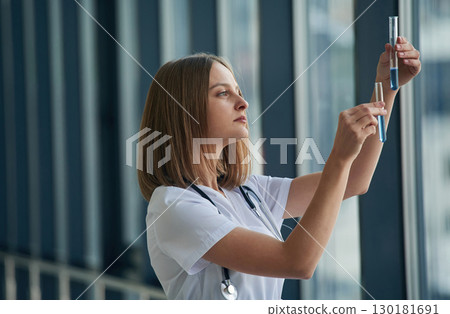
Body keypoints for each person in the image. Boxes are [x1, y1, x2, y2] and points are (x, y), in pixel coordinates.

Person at [137, 37, 421, 299]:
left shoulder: (247, 190)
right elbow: (297, 262)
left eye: (238, 91)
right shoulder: (172, 205)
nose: (243, 103)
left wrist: (386, 87)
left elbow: (355, 179)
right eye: (223, 94)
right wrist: (338, 158)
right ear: (183, 110)